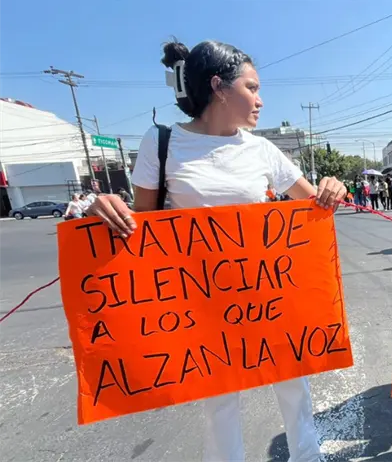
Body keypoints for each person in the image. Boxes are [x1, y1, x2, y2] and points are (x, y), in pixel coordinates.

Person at [86, 39, 346, 462]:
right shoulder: (162, 142)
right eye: (252, 87)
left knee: (293, 381)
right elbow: (140, 226)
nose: (260, 100)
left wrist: (333, 188)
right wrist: (104, 208)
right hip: (201, 303)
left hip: (266, 294)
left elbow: (312, 203)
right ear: (219, 88)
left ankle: (308, 456)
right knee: (221, 401)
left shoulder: (261, 148)